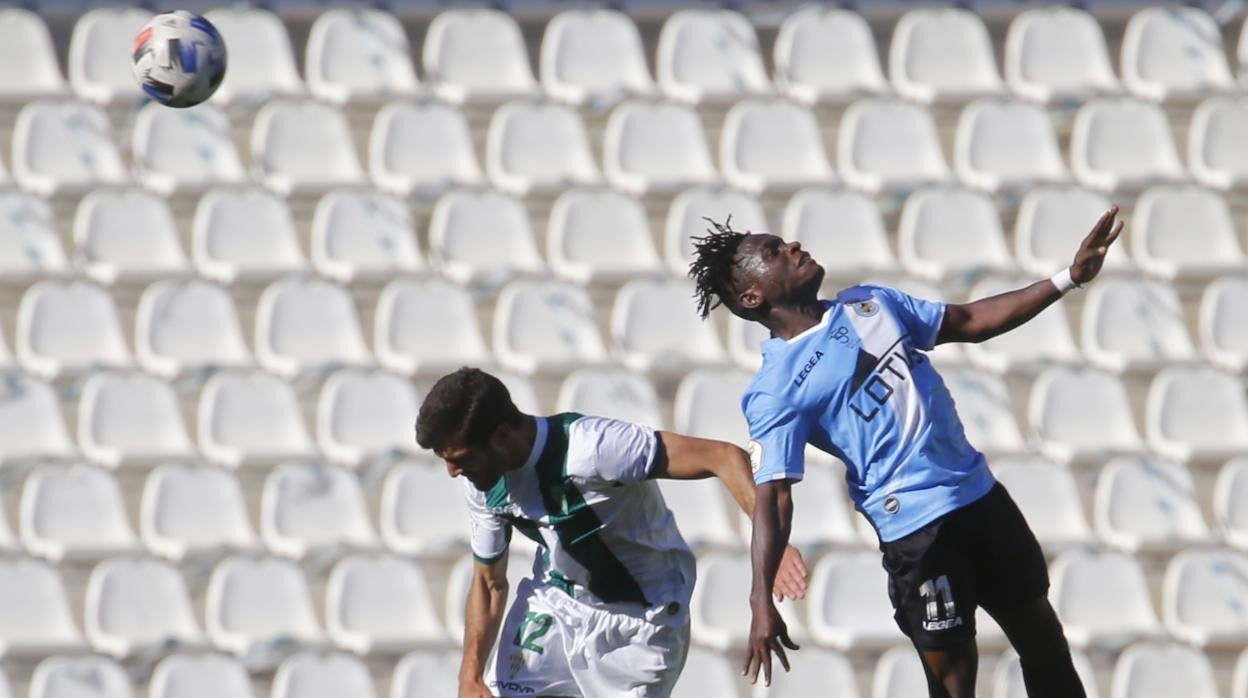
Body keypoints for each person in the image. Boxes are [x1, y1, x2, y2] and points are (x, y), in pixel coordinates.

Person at [687, 207, 1124, 697]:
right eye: (773, 252)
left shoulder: (871, 303)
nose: (791, 247)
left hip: (979, 497)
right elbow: (774, 497)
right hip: (918, 532)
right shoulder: (775, 389)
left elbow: (970, 319)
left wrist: (1068, 278)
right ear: (753, 296)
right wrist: (760, 600)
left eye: (784, 241)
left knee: (1045, 644)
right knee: (954, 686)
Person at [414, 367, 808, 698]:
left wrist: (773, 546)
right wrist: (470, 674)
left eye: (458, 460)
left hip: (642, 625)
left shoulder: (595, 447)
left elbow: (722, 456)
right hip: (556, 606)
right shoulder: (482, 482)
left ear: (501, 435)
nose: (453, 473)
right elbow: (488, 583)